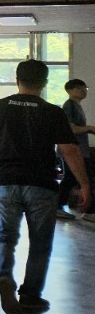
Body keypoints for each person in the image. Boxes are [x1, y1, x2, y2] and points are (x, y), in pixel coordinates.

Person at [0, 60, 89, 314]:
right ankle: (30, 295)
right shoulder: (52, 111)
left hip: (4, 181)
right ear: (45, 82)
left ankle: (4, 276)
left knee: (3, 236)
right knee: (40, 241)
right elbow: (69, 150)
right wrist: (85, 184)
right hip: (41, 184)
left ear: (17, 79)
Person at [57, 79, 95, 220]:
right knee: (83, 179)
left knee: (71, 179)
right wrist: (89, 128)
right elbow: (70, 128)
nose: (83, 90)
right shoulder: (69, 106)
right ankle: (90, 212)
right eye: (79, 88)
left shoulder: (77, 106)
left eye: (85, 88)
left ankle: (58, 206)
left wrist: (89, 130)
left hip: (80, 150)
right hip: (72, 151)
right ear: (69, 90)